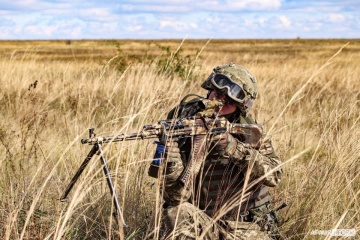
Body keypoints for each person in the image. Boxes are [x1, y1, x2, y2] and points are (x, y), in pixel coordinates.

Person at [151, 62, 283, 239]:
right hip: (203, 221)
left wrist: (234, 148)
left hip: (246, 226)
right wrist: (170, 165)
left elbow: (275, 175)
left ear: (239, 106)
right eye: (217, 93)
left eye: (228, 102)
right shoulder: (185, 119)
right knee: (176, 212)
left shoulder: (247, 129)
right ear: (210, 88)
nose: (219, 103)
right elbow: (176, 199)